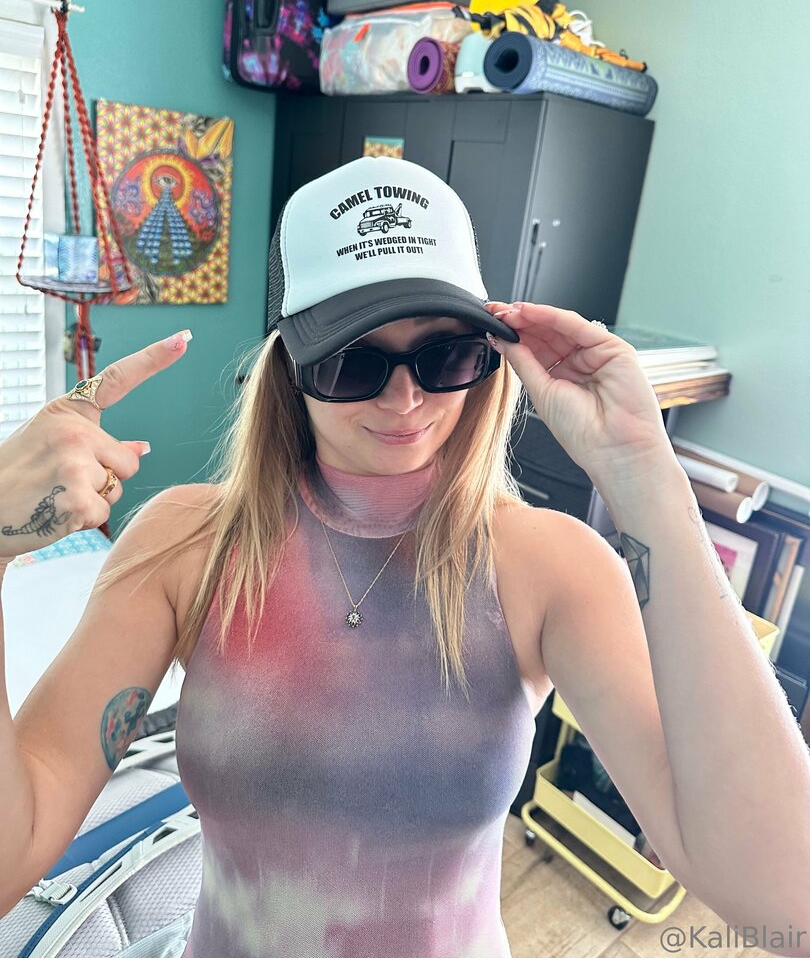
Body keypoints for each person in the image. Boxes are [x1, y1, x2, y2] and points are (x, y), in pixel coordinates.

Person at [0, 155, 808, 957]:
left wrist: (647, 478)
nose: (405, 399)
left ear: (490, 356)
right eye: (352, 360)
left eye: (444, 354)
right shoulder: (183, 546)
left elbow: (783, 895)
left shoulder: (550, 567)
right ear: (290, 369)